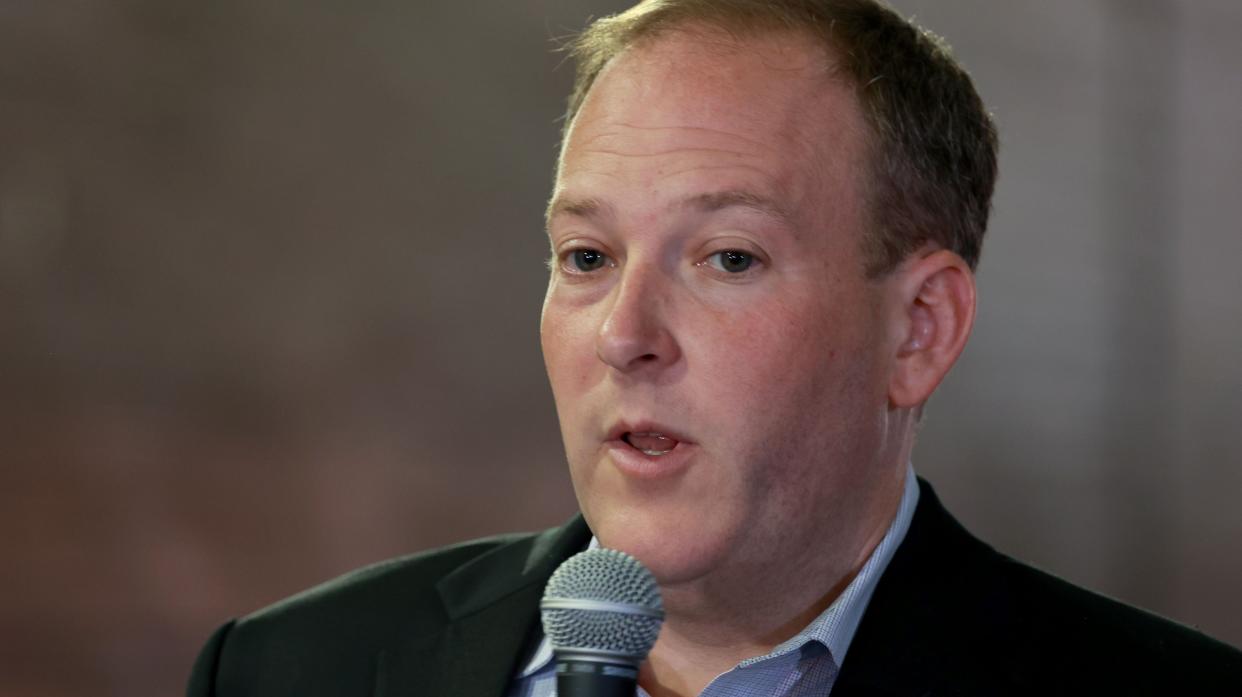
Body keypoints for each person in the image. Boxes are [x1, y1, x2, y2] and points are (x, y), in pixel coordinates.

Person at [187, 1, 1242, 695]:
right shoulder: (288, 670)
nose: (625, 336)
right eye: (587, 255)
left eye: (728, 259)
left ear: (918, 330)